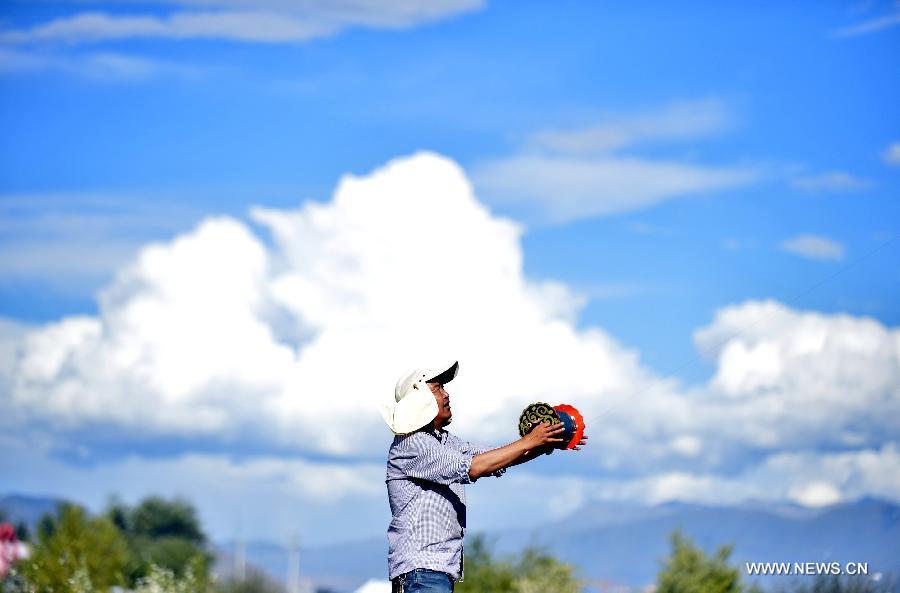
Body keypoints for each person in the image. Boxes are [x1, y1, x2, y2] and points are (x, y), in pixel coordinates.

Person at [380, 361, 587, 593]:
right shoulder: (412, 444)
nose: (447, 394)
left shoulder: (447, 442)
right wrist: (530, 441)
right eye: (438, 388)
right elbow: (475, 467)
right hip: (420, 573)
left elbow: (494, 459)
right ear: (420, 400)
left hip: (434, 573)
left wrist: (544, 442)